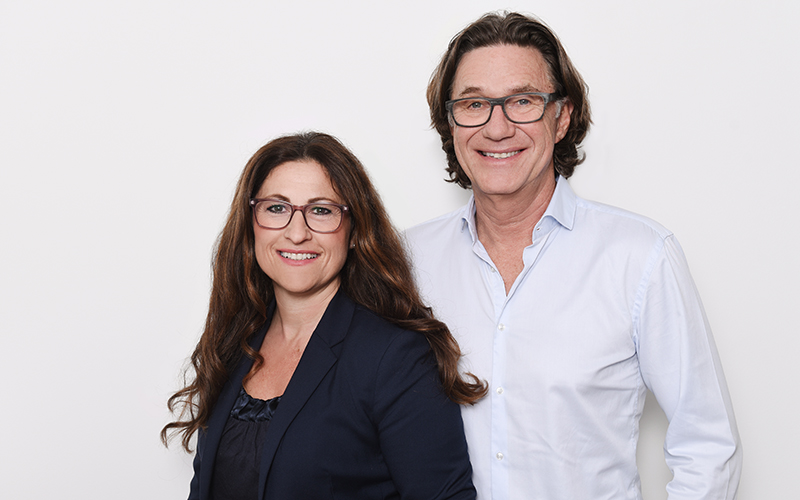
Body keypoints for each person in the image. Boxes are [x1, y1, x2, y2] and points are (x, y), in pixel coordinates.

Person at [405, 11, 742, 500]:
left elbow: (708, 445)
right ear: (451, 122)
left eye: (522, 101)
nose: (497, 128)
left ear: (561, 117)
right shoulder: (406, 261)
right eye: (474, 104)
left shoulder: (639, 257)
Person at [163, 131, 486, 500]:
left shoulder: (395, 356)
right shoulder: (235, 341)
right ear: (250, 224)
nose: (297, 233)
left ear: (354, 230)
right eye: (276, 208)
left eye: (321, 210)